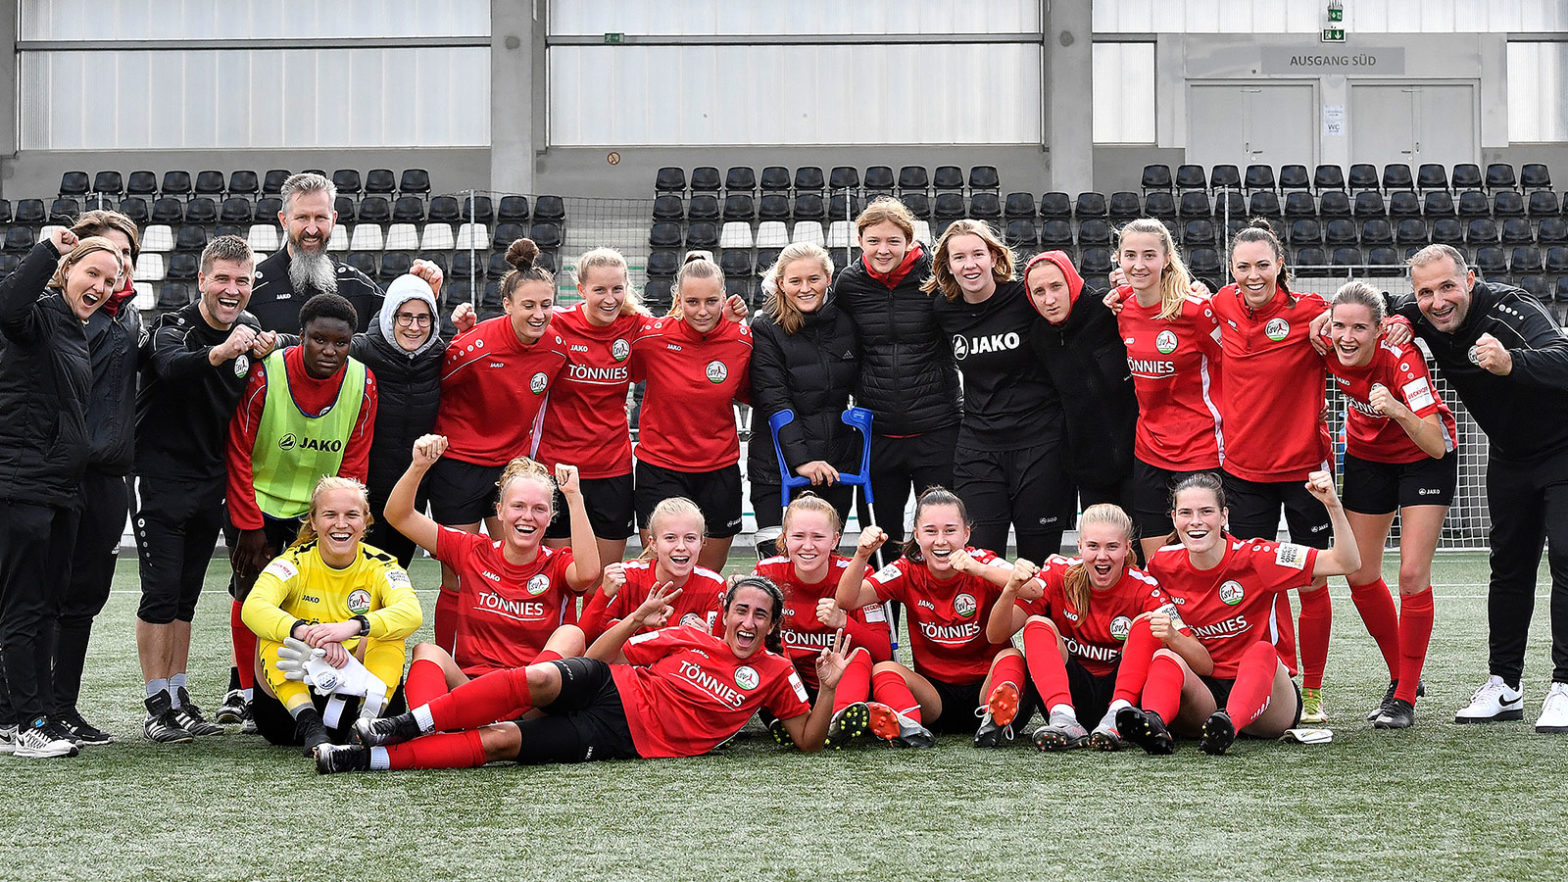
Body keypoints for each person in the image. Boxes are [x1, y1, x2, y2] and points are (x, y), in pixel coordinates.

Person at [313, 577, 852, 772]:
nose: (748, 622)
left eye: (761, 615)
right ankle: (405, 725)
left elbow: (807, 741)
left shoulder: (778, 672)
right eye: (741, 611)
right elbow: (598, 654)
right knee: (546, 675)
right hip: (612, 684)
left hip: (624, 737)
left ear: (772, 625)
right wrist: (637, 620)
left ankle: (364, 758)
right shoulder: (691, 636)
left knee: (502, 741)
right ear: (724, 614)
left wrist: (828, 689)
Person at [1370, 243, 1568, 732]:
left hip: (1563, 449)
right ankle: (1505, 684)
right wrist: (1398, 316)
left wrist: (1512, 363)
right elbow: (1383, 306)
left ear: (1471, 280)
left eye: (1447, 287)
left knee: (1565, 556)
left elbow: (1564, 358)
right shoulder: (1421, 312)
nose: (1438, 301)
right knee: (1508, 567)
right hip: (1510, 457)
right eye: (1426, 292)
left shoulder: (1511, 308)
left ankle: (1565, 684)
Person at [133, 235, 273, 742]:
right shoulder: (169, 327)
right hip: (160, 478)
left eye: (242, 280)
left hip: (211, 479)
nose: (232, 289)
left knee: (187, 596)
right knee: (160, 592)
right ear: (202, 281)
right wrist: (222, 350)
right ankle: (154, 704)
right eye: (223, 279)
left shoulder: (250, 328)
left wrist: (265, 349)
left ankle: (177, 694)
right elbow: (171, 368)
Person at [1121, 472, 1360, 755]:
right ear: (1174, 519)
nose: (1195, 521)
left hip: (1267, 698)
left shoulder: (1259, 556)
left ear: (1223, 516)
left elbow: (1347, 561)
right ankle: (1153, 723)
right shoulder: (1162, 562)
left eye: (1206, 511)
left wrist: (1332, 504)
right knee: (1164, 656)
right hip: (1205, 692)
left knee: (1261, 651)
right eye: (1186, 512)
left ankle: (1228, 726)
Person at [224, 292, 378, 729]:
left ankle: (311, 684)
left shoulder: (362, 382)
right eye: (319, 340)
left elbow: (353, 460)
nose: (330, 351)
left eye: (341, 342)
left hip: (319, 512)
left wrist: (334, 520)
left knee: (311, 599)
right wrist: (249, 526)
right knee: (250, 593)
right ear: (302, 336)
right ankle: (248, 691)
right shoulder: (265, 374)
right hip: (259, 505)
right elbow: (238, 450)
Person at [1208, 220, 1337, 723]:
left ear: (1280, 265)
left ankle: (1315, 692)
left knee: (1311, 583)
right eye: (1243, 266)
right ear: (1231, 269)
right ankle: (1268, 681)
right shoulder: (1220, 304)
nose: (1253, 274)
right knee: (1256, 585)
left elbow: (1363, 316)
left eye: (1263, 264)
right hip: (1243, 473)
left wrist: (1397, 318)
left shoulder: (1312, 313)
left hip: (1306, 470)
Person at [0, 228, 120, 759]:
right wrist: (49, 245)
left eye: (109, 280)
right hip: (22, 486)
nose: (99, 285)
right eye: (90, 273)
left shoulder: (73, 328)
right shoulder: (39, 316)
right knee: (24, 608)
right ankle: (25, 723)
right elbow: (6, 306)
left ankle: (27, 716)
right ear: (65, 272)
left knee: (43, 606)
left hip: (58, 490)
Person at [1320, 281, 1456, 728]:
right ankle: (1403, 676)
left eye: (1360, 328)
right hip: (1367, 458)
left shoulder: (1402, 358)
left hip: (1422, 461)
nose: (1347, 336)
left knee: (1412, 573)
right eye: (1340, 325)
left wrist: (1397, 409)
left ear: (1380, 330)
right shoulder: (1326, 341)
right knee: (1359, 571)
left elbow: (1437, 443)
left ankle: (1403, 699)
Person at [385, 436, 600, 706]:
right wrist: (418, 467)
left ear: (549, 517)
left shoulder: (557, 563)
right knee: (426, 651)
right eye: (518, 506)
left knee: (572, 635)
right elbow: (399, 516)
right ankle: (424, 728)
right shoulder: (472, 550)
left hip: (531, 697)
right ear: (499, 511)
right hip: (473, 692)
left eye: (539, 509)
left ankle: (456, 728)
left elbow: (589, 573)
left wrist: (574, 497)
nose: (528, 516)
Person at [427, 238, 567, 648]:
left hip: (509, 471)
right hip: (458, 467)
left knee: (512, 566)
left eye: (546, 304)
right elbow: (434, 389)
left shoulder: (557, 346)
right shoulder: (473, 347)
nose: (539, 314)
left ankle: (507, 661)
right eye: (528, 305)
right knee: (456, 573)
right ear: (507, 303)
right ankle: (450, 661)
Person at [983, 504, 1206, 752]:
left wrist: (1173, 636)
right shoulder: (1059, 573)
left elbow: (1203, 663)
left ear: (1127, 548)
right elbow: (996, 635)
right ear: (1079, 547)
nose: (1102, 556)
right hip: (1070, 695)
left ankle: (1116, 718)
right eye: (1093, 546)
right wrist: (1011, 589)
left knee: (1147, 624)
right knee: (1037, 625)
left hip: (1125, 701)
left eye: (1112, 546)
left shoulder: (1145, 588)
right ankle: (1063, 719)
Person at [833, 487, 1032, 747]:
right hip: (934, 700)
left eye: (950, 530)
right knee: (884, 669)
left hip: (988, 688)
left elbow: (1033, 589)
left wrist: (979, 570)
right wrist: (861, 555)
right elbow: (847, 600)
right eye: (930, 531)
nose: (940, 540)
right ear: (916, 535)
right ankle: (909, 725)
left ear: (966, 534)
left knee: (1012, 656)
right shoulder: (906, 569)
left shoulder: (982, 561)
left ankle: (996, 720)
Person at [241, 476, 422, 755]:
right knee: (274, 630)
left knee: (390, 631)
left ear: (366, 521)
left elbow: (411, 613)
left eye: (351, 515)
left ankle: (368, 721)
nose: (341, 524)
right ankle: (310, 724)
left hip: (359, 699)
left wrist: (353, 627)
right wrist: (304, 633)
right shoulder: (293, 562)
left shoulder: (383, 565)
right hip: (287, 720)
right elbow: (253, 607)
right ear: (313, 521)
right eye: (330, 515)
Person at [49, 210, 142, 746]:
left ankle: (64, 706)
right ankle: (21, 705)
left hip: (108, 477)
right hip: (54, 476)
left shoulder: (128, 318)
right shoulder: (54, 315)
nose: (117, 266)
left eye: (126, 256)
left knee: (84, 597)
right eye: (105, 255)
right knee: (38, 593)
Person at [828, 198, 960, 569]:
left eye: (892, 241)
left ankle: (945, 623)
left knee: (941, 539)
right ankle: (883, 628)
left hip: (937, 429)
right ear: (860, 241)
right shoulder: (849, 283)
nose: (883, 250)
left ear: (908, 239)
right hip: (878, 433)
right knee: (880, 539)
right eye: (873, 241)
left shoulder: (935, 276)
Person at [926, 219, 1069, 562]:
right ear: (948, 265)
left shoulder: (1026, 297)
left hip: (1040, 445)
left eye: (978, 254)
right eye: (959, 257)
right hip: (979, 448)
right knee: (980, 559)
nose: (970, 264)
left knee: (1037, 562)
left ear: (994, 257)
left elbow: (1077, 304)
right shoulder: (943, 309)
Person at [1106, 219, 1224, 565]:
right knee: (1158, 565)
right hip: (1149, 451)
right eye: (1130, 255)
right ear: (1119, 259)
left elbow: (1231, 368)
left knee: (1204, 561)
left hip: (1200, 450)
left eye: (1149, 255)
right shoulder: (1122, 306)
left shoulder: (1196, 310)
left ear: (1167, 258)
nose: (1138, 265)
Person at [630, 254, 752, 572]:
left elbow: (755, 393)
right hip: (660, 469)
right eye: (692, 301)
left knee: (708, 579)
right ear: (678, 299)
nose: (702, 310)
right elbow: (614, 369)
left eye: (711, 301)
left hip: (719, 471)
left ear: (724, 298)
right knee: (660, 574)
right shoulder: (651, 338)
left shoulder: (742, 341)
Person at [752, 494, 893, 747]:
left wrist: (843, 622)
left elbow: (883, 652)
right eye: (798, 536)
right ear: (784, 538)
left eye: (818, 537)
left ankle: (836, 721)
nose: (808, 546)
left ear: (835, 540)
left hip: (843, 685)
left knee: (859, 654)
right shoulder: (766, 573)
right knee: (771, 650)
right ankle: (789, 717)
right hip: (792, 682)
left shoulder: (858, 573)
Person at [748, 243, 859, 557]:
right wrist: (801, 461)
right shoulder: (766, 327)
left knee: (822, 563)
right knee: (777, 569)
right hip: (776, 466)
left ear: (828, 277)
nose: (805, 288)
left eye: (814, 279)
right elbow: (774, 399)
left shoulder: (847, 322)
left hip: (835, 466)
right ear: (781, 283)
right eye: (795, 281)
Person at [1023, 251, 1137, 517]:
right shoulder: (1039, 337)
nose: (1049, 299)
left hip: (1139, 460)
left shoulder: (1108, 309)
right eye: (1039, 291)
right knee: (1101, 551)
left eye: (1056, 286)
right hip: (1089, 470)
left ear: (1072, 281)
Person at [249, 172, 382, 334]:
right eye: (302, 218)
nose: (312, 230)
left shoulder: (357, 286)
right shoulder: (254, 288)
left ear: (333, 220)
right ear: (284, 220)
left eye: (320, 218)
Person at [578, 497, 726, 642]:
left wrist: (708, 640)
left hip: (682, 664)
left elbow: (720, 651)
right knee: (612, 627)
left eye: (690, 538)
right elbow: (585, 639)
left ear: (702, 543)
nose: (681, 547)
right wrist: (603, 595)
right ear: (653, 543)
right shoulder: (626, 577)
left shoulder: (714, 585)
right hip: (628, 664)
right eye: (670, 538)